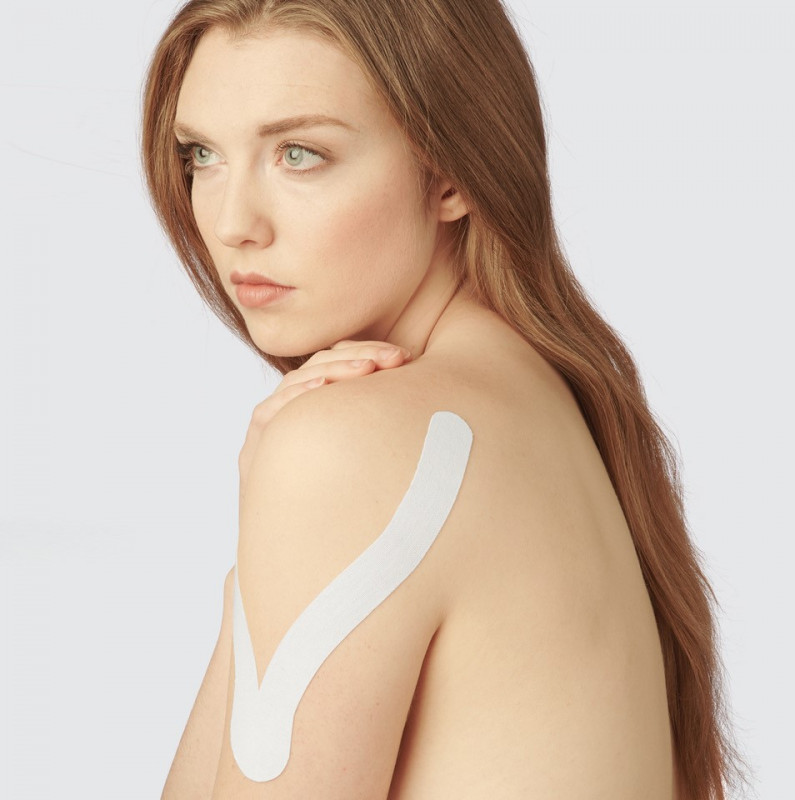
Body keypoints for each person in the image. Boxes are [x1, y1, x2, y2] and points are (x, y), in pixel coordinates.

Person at [140, 1, 749, 797]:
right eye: (202, 155)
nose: (231, 224)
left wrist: (289, 486)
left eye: (299, 153)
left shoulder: (353, 444)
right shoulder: (555, 400)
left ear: (451, 173)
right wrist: (254, 566)